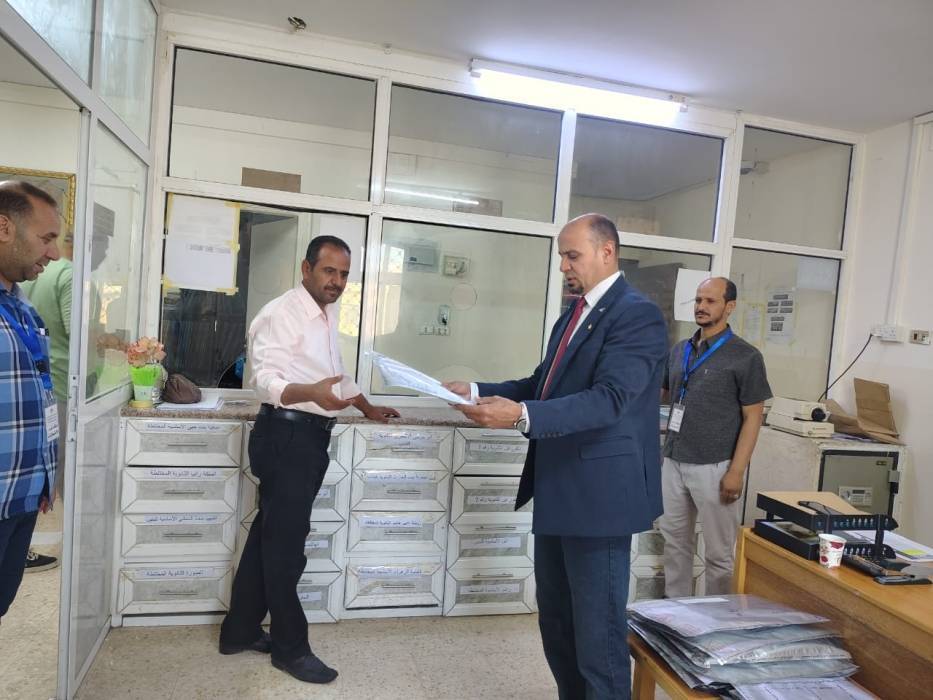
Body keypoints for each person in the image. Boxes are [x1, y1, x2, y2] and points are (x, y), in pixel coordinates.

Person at [445, 214, 668, 700]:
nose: (564, 266)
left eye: (572, 255)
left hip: (600, 499)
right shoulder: (573, 315)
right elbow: (541, 384)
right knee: (559, 625)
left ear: (607, 252)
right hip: (558, 486)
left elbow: (610, 399)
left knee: (598, 636)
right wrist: (477, 390)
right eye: (562, 257)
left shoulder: (637, 315)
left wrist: (521, 415)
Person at [218, 235, 399, 684]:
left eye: (343, 274)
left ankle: (239, 631)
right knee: (285, 549)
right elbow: (264, 379)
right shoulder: (281, 313)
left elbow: (335, 374)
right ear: (306, 268)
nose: (337, 281)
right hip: (286, 435)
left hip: (307, 437)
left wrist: (367, 407)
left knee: (269, 536)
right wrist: (311, 393)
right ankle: (290, 648)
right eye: (328, 271)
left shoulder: (325, 312)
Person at [659, 277, 772, 597]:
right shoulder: (680, 350)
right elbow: (663, 396)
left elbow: (753, 418)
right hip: (674, 459)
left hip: (716, 465)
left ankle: (717, 616)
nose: (701, 306)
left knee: (719, 554)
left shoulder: (745, 356)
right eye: (698, 300)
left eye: (710, 301)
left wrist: (736, 471)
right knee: (674, 543)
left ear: (729, 306)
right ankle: (677, 611)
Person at [0, 181, 61, 621]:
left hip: (20, 496)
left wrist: (44, 475)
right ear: (4, 228)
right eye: (46, 238)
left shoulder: (21, 307)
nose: (54, 253)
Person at [20, 231, 73, 573]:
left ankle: (21, 546)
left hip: (39, 381)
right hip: (62, 382)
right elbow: (76, 331)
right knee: (61, 470)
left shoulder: (29, 276)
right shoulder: (68, 275)